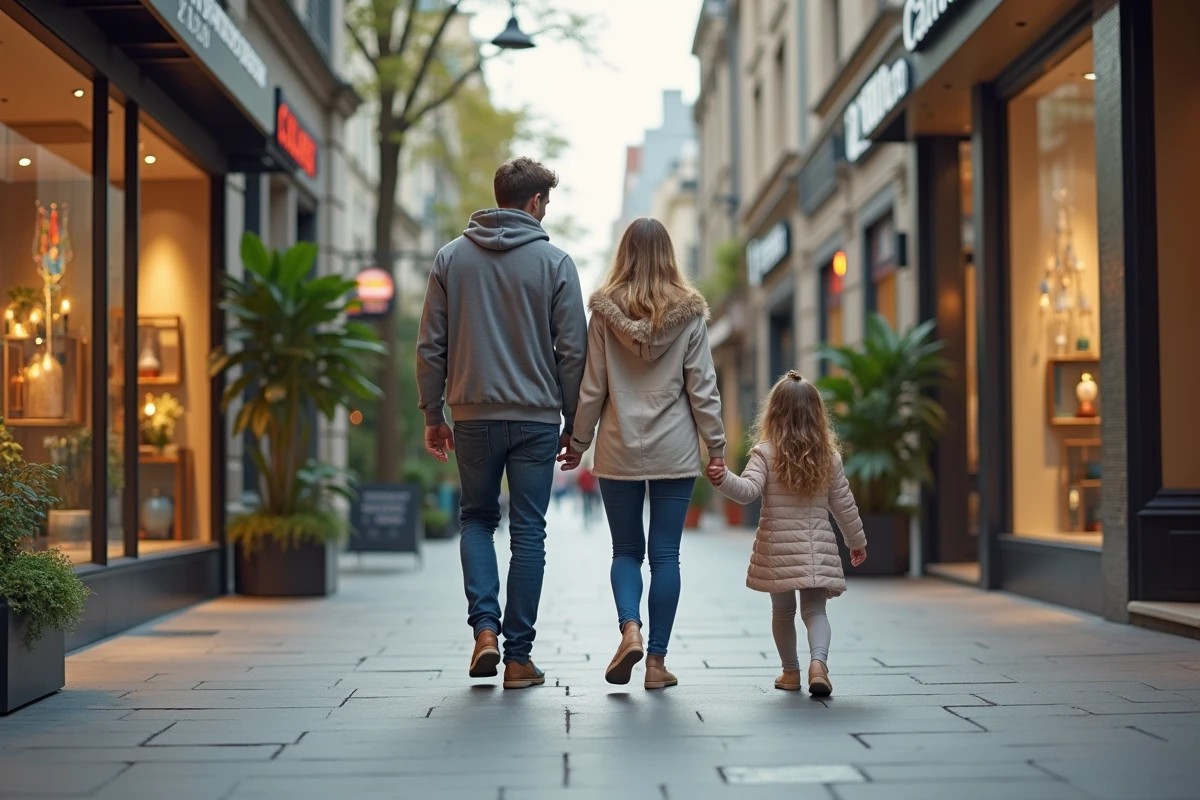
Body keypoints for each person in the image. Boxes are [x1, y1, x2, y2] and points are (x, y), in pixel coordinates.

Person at [416, 157, 587, 690]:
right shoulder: (556, 263)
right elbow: (573, 352)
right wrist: (576, 425)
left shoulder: (450, 258)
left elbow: (430, 345)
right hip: (536, 419)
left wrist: (432, 412)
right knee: (528, 531)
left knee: (476, 520)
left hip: (472, 415)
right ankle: (518, 658)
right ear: (535, 202)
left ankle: (484, 631)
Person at [566, 217, 725, 690]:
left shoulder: (603, 315)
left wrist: (577, 443)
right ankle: (656, 664)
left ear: (624, 255)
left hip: (616, 449)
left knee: (626, 551)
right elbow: (704, 390)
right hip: (674, 450)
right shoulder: (691, 316)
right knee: (666, 556)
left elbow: (592, 387)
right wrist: (715, 447)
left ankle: (629, 628)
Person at [706, 370, 867, 697]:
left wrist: (723, 478)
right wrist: (856, 541)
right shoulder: (829, 457)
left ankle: (790, 672)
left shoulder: (765, 453)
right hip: (817, 548)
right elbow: (844, 505)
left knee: (782, 613)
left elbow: (748, 491)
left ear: (774, 412)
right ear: (817, 413)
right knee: (815, 611)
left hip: (778, 549)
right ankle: (818, 664)